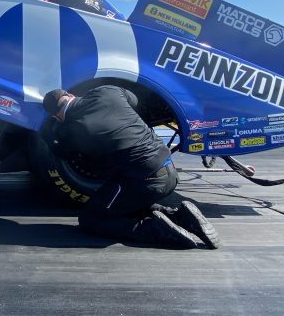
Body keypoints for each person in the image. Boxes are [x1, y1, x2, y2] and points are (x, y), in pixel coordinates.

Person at [39, 85, 218, 249]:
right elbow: (133, 100)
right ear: (70, 95)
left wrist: (46, 133)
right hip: (168, 169)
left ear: (57, 116)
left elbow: (62, 152)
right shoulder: (108, 91)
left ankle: (155, 230)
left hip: (145, 180)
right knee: (124, 203)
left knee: (91, 219)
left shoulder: (71, 129)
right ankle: (181, 217)